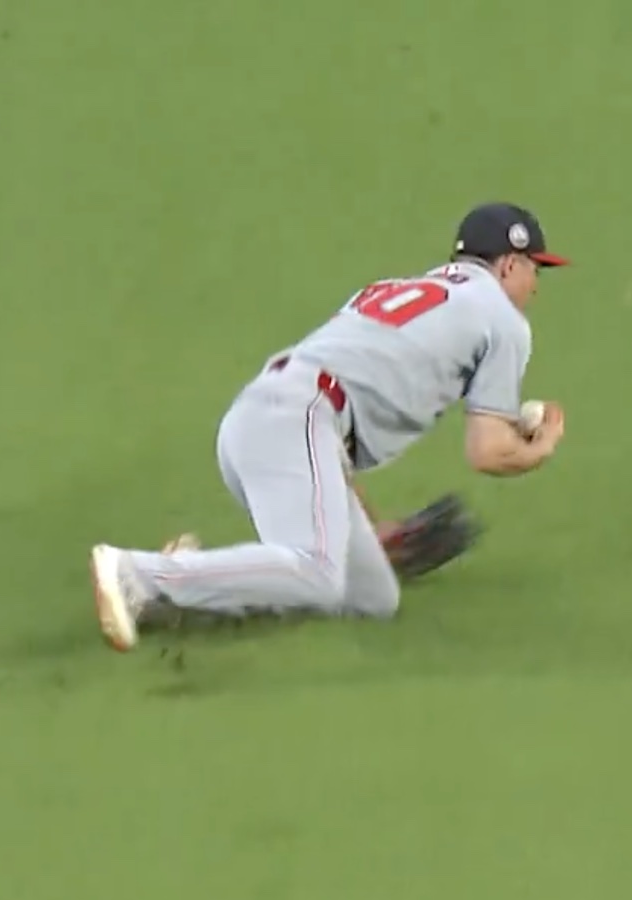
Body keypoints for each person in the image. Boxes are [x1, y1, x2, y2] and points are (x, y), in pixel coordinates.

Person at [89, 202, 569, 651]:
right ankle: (138, 574)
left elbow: (330, 440)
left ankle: (176, 588)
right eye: (535, 269)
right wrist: (538, 448)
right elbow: (488, 451)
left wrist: (371, 531)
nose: (536, 286)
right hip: (296, 417)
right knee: (317, 571)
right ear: (509, 264)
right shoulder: (502, 320)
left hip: (268, 420)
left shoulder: (407, 291)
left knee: (371, 597)